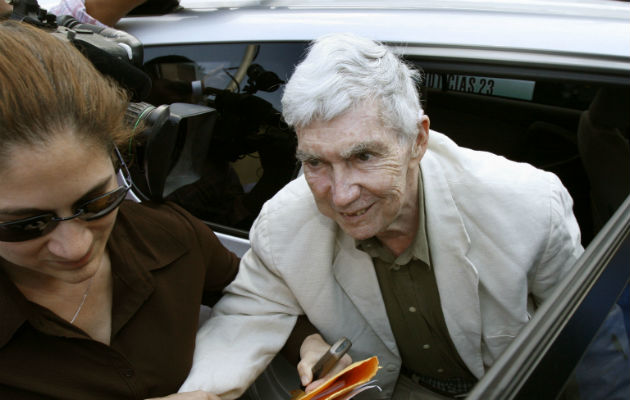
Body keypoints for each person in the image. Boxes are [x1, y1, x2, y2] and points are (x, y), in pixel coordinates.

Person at [179, 33, 585, 399]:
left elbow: (587, 341)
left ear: (418, 140)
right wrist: (197, 394)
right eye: (316, 163)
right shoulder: (284, 222)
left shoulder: (529, 204)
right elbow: (247, 315)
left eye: (363, 156)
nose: (340, 195)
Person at [0, 20, 236, 399]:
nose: (75, 247)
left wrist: (307, 345)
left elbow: (258, 293)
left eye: (96, 203)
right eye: (26, 225)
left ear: (122, 163)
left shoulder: (170, 236)